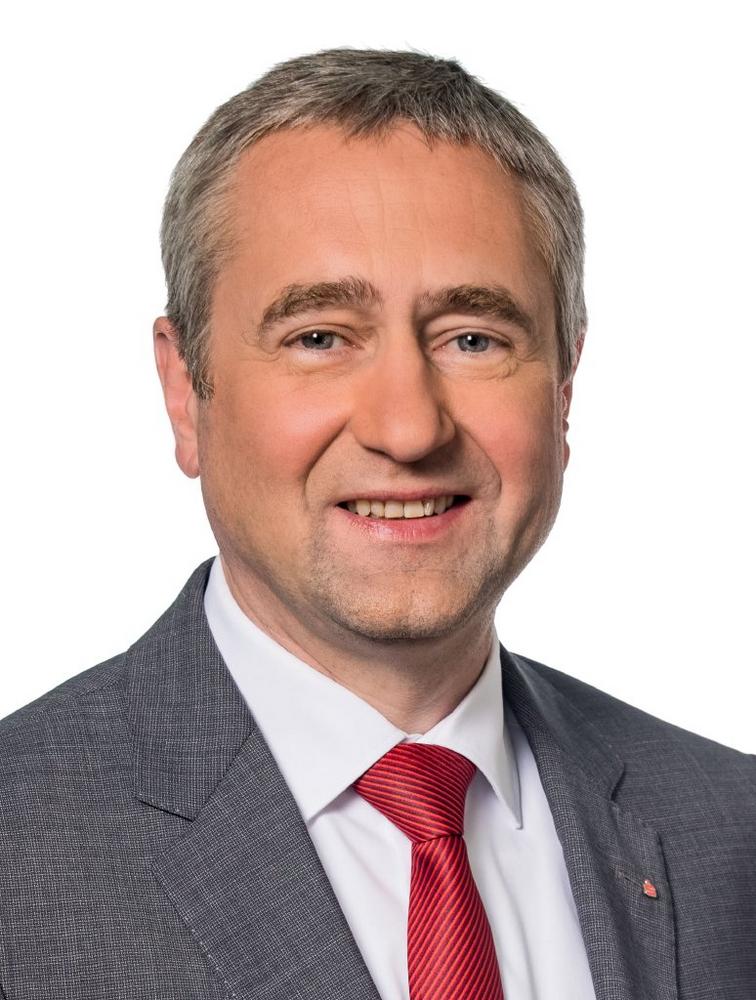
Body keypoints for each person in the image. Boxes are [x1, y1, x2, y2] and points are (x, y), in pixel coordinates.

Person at [0, 47, 753, 1000]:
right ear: (186, 393)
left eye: (473, 339)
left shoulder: (731, 831)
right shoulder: (21, 851)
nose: (408, 428)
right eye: (319, 337)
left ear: (564, 391)